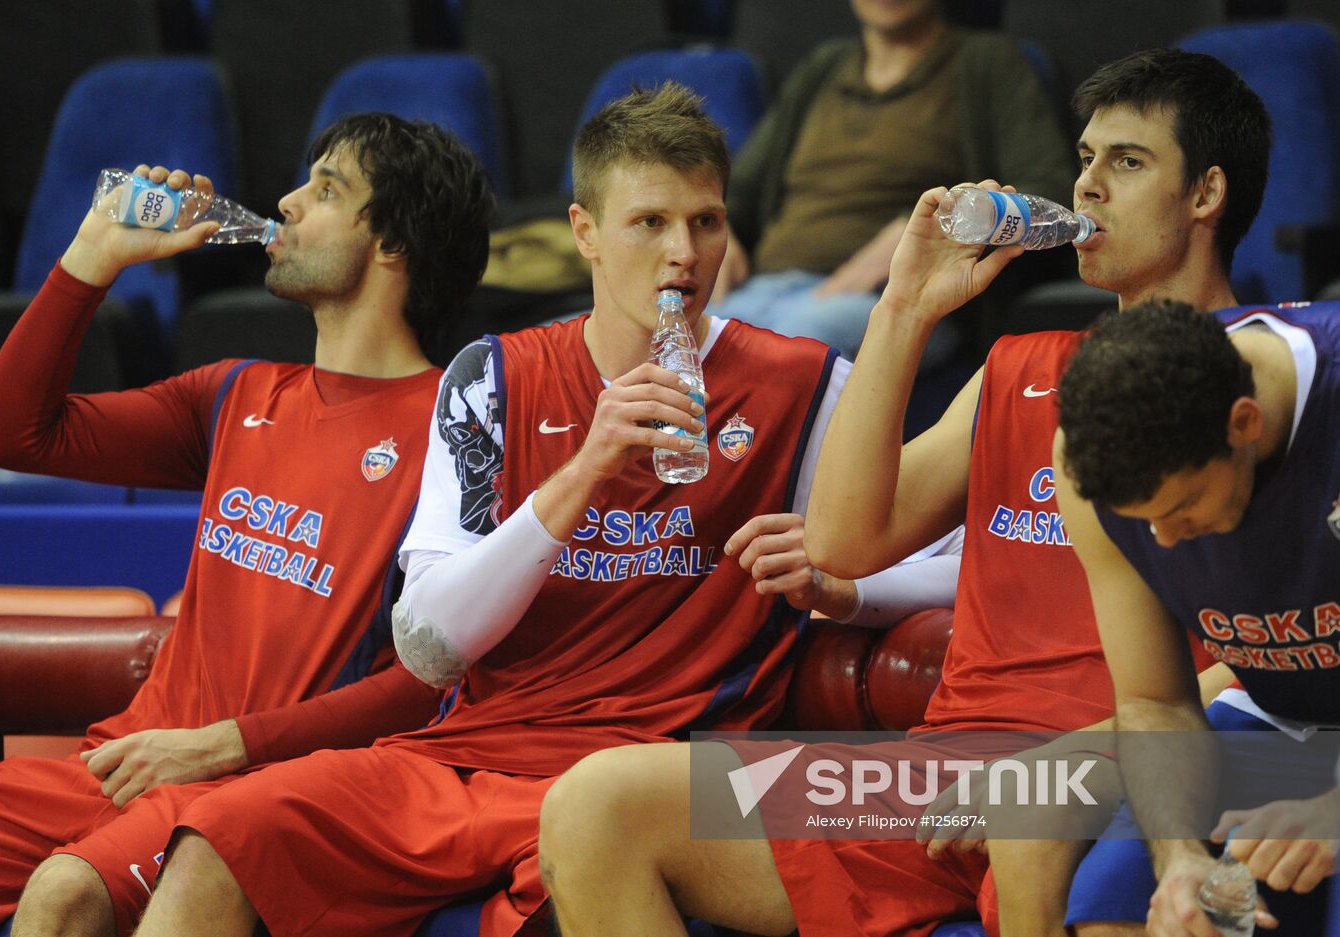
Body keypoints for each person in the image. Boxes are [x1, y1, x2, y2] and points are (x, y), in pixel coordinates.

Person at [122, 82, 960, 937]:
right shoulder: (491, 379)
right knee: (217, 846)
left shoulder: (806, 383)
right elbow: (427, 644)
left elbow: (967, 563)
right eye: (650, 223)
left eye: (706, 222)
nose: (684, 254)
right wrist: (583, 471)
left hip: (654, 775)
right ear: (585, 232)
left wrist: (844, 584)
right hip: (468, 757)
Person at [536, 48, 1267, 937]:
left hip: (1112, 771)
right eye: (1083, 160)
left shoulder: (1262, 383)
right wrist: (904, 311)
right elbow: (843, 544)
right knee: (595, 806)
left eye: (1128, 161)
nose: (1088, 189)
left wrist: (1086, 757)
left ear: (1206, 194)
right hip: (938, 772)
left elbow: (1291, 664)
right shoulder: (1020, 368)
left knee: (1031, 822)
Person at [0, 114, 494, 937]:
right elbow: (7, 432)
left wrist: (223, 744)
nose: (287, 201)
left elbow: (435, 680)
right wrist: (91, 259)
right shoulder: (236, 392)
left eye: (328, 189)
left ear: (393, 243)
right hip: (117, 764)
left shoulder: (457, 432)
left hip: (252, 789)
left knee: (62, 899)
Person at [1054, 301, 1340, 936]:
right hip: (1284, 722)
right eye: (1143, 519)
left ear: (1245, 423)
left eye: (1182, 506)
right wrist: (1179, 855)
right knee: (1125, 909)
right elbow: (1154, 700)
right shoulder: (1087, 459)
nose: (1162, 539)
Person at [712, 0, 1074, 362]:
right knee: (688, 344)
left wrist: (926, 229)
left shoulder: (985, 62)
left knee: (783, 354)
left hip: (898, 299)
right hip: (767, 285)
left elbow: (1047, 186)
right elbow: (741, 184)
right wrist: (719, 227)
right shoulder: (825, 65)